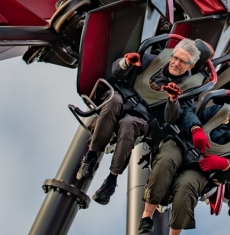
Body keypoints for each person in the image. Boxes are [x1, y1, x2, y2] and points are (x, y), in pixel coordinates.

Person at [77, 38, 212, 205]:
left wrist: (172, 100)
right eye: (175, 58)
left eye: (182, 62)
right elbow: (117, 71)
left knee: (129, 124)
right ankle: (91, 156)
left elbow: (174, 117)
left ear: (190, 66)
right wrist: (126, 63)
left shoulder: (189, 89)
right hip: (123, 98)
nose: (176, 63)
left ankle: (111, 180)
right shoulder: (153, 59)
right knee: (113, 101)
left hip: (143, 117)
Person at [138, 95, 230, 235]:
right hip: (183, 145)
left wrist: (224, 164)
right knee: (166, 161)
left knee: (187, 187)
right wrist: (196, 128)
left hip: (203, 167)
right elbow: (190, 112)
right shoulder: (219, 111)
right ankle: (147, 215)